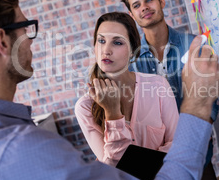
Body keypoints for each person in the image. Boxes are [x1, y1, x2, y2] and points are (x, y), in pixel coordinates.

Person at [0, 0, 219, 180]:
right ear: (3, 41)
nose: (30, 40)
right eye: (25, 27)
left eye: (117, 42)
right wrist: (197, 104)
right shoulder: (25, 150)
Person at [118, 0, 219, 180]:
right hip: (154, 164)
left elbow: (211, 97)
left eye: (149, 0)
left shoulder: (192, 44)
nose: (144, 8)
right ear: (131, 14)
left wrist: (196, 133)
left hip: (197, 153)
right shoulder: (131, 63)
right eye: (137, 5)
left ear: (161, 1)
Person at [75, 12, 179, 166]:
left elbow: (177, 145)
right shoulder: (85, 107)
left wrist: (136, 166)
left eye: (117, 42)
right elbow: (114, 167)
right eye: (101, 41)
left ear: (133, 50)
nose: (106, 50)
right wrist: (112, 114)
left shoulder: (158, 86)